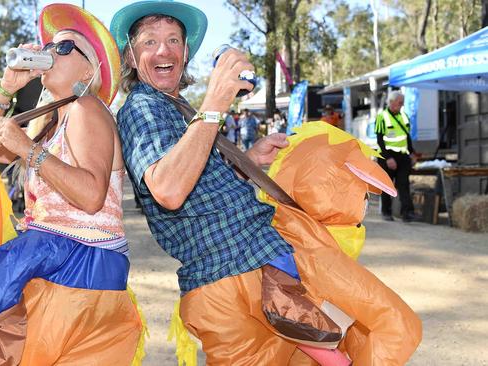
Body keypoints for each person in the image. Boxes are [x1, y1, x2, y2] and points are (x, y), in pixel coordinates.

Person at [111, 1, 420, 364]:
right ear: (130, 57)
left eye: (174, 40)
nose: (164, 50)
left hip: (250, 270)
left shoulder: (175, 106)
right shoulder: (143, 107)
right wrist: (214, 103)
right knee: (385, 329)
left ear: (185, 51)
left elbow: (199, 183)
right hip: (234, 275)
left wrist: (248, 161)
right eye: (149, 42)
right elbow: (168, 189)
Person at [0, 4, 142, 365]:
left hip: (82, 261)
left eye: (62, 48)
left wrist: (28, 150)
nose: (48, 53)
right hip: (55, 258)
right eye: (48, 47)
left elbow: (92, 196)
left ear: (89, 69)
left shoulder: (85, 108)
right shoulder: (48, 120)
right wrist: (5, 88)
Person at [375, 90, 417, 222]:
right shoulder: (381, 117)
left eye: (402, 103)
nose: (402, 105)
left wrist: (412, 153)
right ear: (392, 102)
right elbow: (380, 140)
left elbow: (407, 137)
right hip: (387, 156)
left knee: (404, 184)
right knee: (387, 185)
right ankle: (386, 212)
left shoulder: (404, 116)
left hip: (403, 156)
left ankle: (407, 213)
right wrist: (388, 158)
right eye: (400, 103)